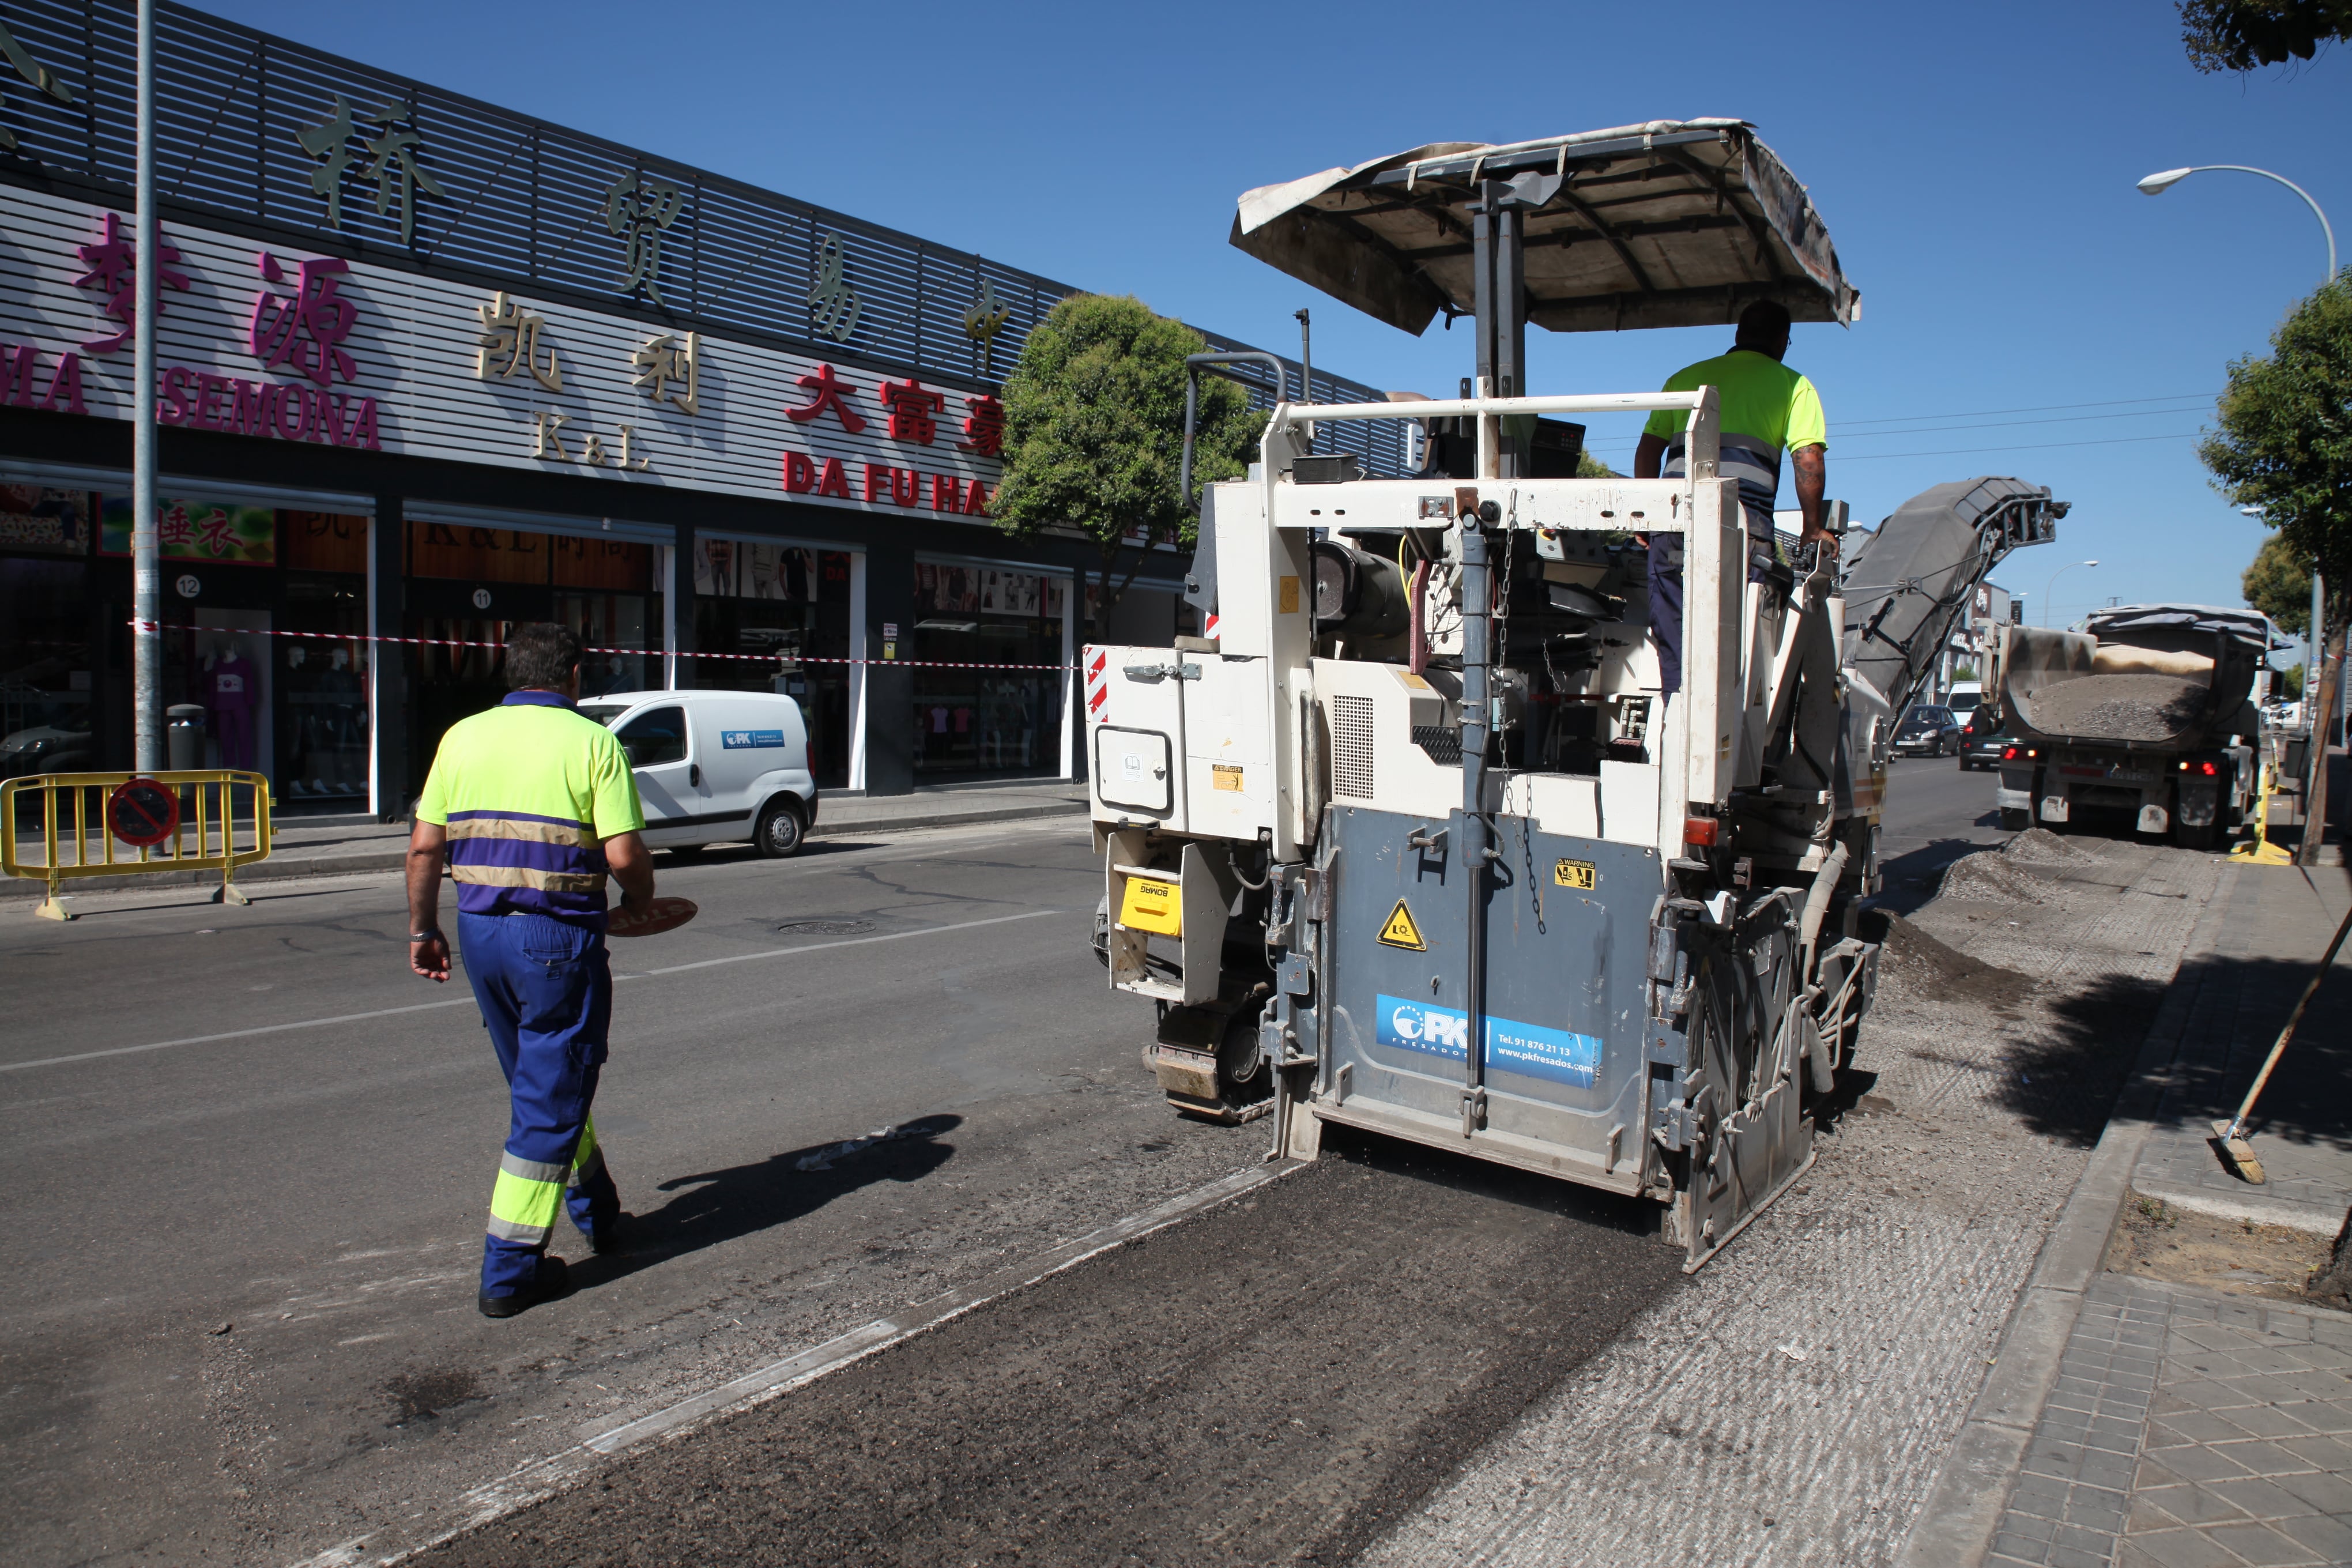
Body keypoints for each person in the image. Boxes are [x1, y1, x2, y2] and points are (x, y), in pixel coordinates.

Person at [406, 622, 655, 1318]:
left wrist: (424, 930)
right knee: (547, 1098)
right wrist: (642, 901)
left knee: (545, 1078)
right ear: (574, 674)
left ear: (511, 673)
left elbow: (425, 850)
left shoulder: (461, 737)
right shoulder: (592, 743)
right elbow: (625, 856)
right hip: (556, 941)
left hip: (480, 934)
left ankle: (599, 1213)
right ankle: (510, 1270)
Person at [1633, 299, 1835, 698]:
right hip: (1743, 526)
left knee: (1674, 626)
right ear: (1783, 340)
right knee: (1733, 633)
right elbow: (1808, 460)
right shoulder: (1794, 385)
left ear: (1739, 335)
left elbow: (1647, 451)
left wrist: (1646, 515)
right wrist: (1813, 529)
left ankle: (1676, 709)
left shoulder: (1686, 378)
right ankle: (1723, 722)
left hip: (1676, 522)